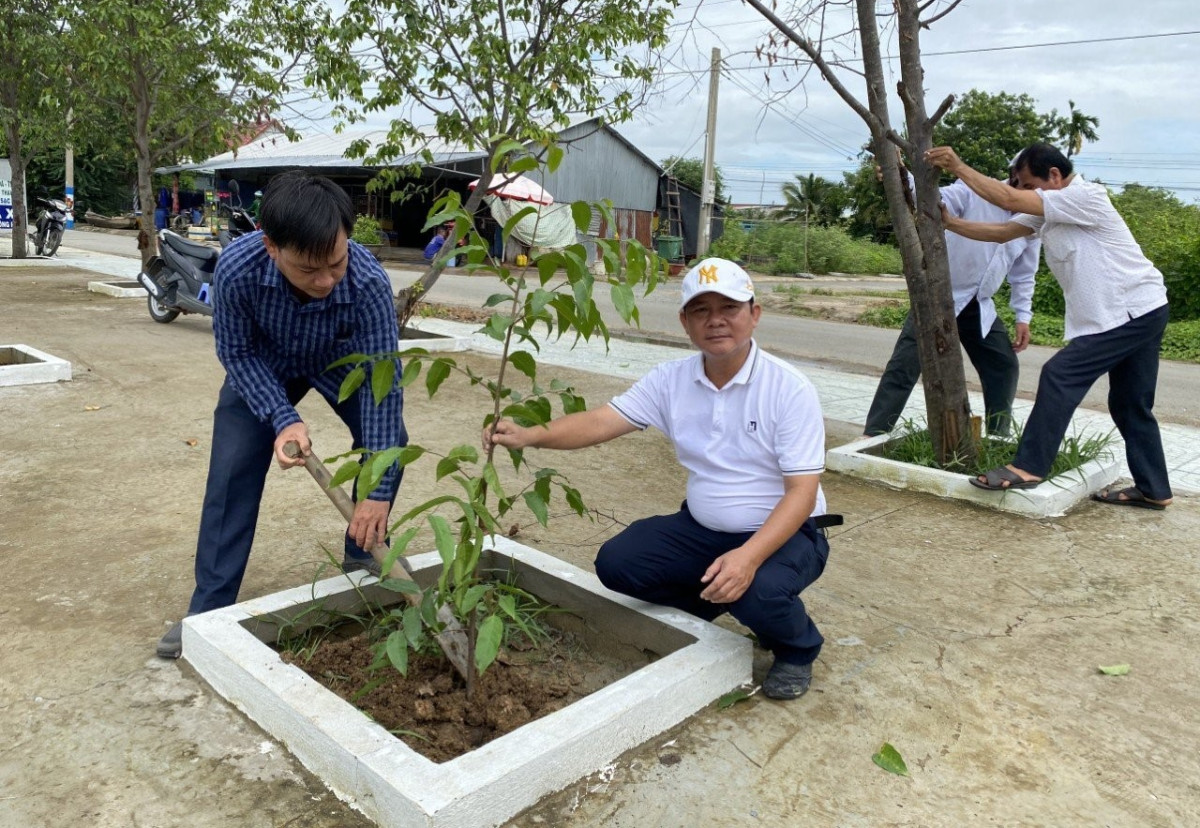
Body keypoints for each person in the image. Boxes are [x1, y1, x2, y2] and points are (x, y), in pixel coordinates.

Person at [484, 258, 834, 700]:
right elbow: (599, 422)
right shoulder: (670, 380)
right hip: (702, 528)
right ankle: (718, 602)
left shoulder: (789, 388)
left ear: (754, 314)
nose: (716, 321)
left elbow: (801, 495)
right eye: (702, 310)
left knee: (756, 591)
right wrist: (530, 435)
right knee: (619, 563)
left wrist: (746, 558)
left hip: (786, 533)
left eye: (729, 307)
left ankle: (796, 647)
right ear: (685, 322)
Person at [157, 172, 408, 658]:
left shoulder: (369, 282)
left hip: (340, 363)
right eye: (309, 269)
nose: (326, 280)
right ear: (272, 247)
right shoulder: (237, 268)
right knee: (232, 467)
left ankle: (361, 556)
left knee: (389, 437)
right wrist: (280, 415)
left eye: (335, 263)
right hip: (264, 365)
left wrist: (378, 492)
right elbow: (235, 351)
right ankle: (210, 609)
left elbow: (382, 388)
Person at [925, 142, 1172, 510]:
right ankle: (1155, 489)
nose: (1022, 192)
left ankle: (1028, 466)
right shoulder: (1049, 210)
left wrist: (958, 166)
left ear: (1054, 176)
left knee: (1060, 374)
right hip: (1139, 310)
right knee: (1130, 403)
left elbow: (1009, 199)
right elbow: (1002, 232)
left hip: (1130, 310)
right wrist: (952, 224)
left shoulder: (1085, 197)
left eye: (1027, 184)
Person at [864, 169, 1040, 437]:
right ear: (1015, 177)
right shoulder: (974, 190)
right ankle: (874, 433)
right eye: (1029, 186)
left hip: (979, 304)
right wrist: (902, 176)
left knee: (1003, 365)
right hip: (937, 296)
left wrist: (1022, 316)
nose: (1033, 194)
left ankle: (997, 436)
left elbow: (1024, 273)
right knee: (905, 366)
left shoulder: (1033, 218)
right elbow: (934, 198)